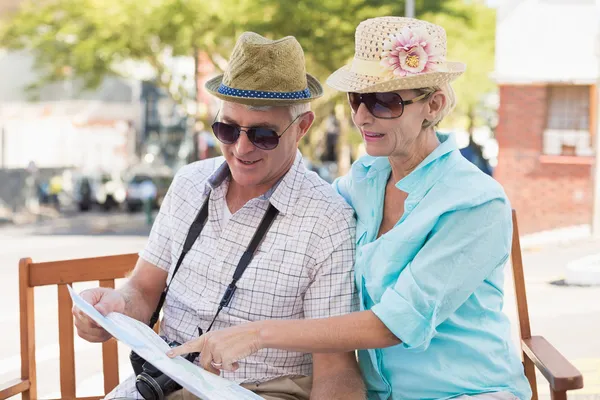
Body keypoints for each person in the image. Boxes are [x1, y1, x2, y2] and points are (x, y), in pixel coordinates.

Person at [168, 17, 533, 400]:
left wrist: (258, 334)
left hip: (466, 392)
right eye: (357, 99)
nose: (362, 116)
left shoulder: (475, 203)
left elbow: (393, 324)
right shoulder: (364, 180)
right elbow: (298, 211)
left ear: (434, 104)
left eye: (384, 102)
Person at [72, 32, 365, 400]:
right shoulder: (188, 182)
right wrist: (116, 306)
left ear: (302, 127)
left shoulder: (328, 219)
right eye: (227, 129)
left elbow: (336, 368)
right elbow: (143, 289)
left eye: (263, 135)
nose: (241, 149)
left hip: (263, 391)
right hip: (163, 382)